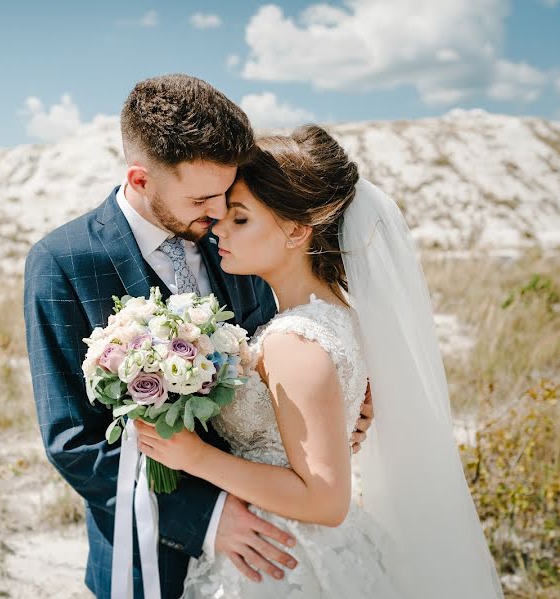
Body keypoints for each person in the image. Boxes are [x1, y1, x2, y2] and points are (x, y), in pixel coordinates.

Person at [23, 76, 373, 599]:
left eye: (226, 195)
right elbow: (75, 441)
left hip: (276, 539)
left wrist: (331, 413)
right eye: (203, 197)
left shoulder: (237, 239)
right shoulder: (64, 263)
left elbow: (276, 357)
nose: (216, 214)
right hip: (151, 549)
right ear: (140, 179)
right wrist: (207, 517)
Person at [135, 125, 504, 598]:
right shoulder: (339, 315)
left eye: (241, 219)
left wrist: (196, 456)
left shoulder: (294, 340)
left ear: (296, 230)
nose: (219, 229)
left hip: (284, 558)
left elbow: (326, 499)